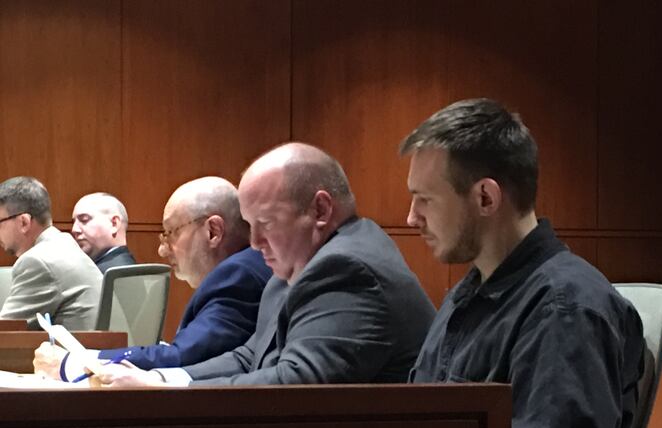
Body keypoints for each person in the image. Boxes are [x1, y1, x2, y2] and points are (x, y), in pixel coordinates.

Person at [399, 98, 645, 428]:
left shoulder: (565, 311)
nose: (412, 217)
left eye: (424, 198)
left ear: (486, 197)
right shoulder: (465, 295)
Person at [93, 143, 436, 387]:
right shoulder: (298, 265)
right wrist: (161, 378)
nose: (254, 242)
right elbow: (250, 354)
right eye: (249, 224)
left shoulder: (345, 270)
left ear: (319, 211)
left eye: (266, 223)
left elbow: (296, 384)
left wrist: (165, 391)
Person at [33, 177, 274, 377]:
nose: (162, 250)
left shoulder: (238, 276)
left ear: (213, 231)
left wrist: (76, 362)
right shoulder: (243, 268)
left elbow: (184, 357)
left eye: (171, 233)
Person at [0, 177, 101, 329]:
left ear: (24, 222)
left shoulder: (38, 261)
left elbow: (5, 331)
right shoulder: (63, 243)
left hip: (75, 351)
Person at [71, 192, 136, 273]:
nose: (74, 229)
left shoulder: (112, 275)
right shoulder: (127, 268)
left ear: (114, 224)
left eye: (84, 220)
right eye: (73, 222)